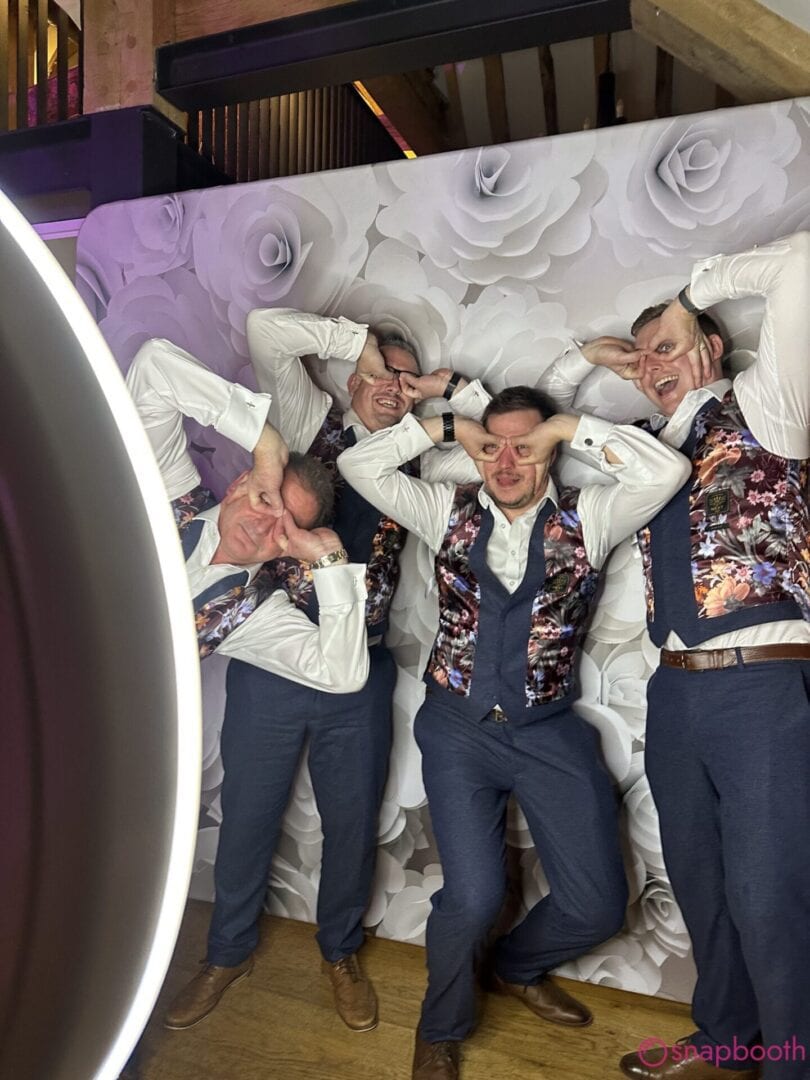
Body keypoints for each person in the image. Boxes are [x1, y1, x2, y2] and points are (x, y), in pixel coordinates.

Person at [337, 386, 691, 1079]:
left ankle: (514, 967)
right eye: (492, 448)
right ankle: (440, 1028)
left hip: (548, 732)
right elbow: (360, 467)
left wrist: (567, 427)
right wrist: (444, 427)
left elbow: (667, 472)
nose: (505, 463)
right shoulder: (445, 511)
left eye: (524, 448)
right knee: (471, 897)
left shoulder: (591, 516)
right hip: (457, 730)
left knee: (598, 906)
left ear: (550, 452)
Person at [538, 232, 810, 1080]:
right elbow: (539, 427)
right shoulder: (639, 446)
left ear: (711, 345)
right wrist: (588, 359)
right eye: (641, 355)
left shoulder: (769, 404)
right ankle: (728, 1041)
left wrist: (695, 293)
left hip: (765, 685)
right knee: (701, 885)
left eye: (668, 344)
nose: (652, 363)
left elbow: (801, 265)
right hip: (677, 691)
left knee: (771, 899)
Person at [188, 307, 487, 1034]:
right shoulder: (303, 420)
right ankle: (226, 953)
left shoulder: (417, 459)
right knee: (248, 814)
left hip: (359, 671)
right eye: (380, 373)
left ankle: (341, 951)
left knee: (351, 821)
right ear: (353, 378)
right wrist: (362, 346)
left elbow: (495, 441)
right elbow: (268, 330)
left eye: (406, 380)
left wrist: (443, 394)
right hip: (267, 659)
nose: (391, 387)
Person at [126, 340, 375, 1031]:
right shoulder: (169, 493)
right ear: (241, 483)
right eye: (265, 500)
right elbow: (152, 366)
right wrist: (267, 444)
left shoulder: (252, 612)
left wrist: (328, 561)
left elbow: (342, 673)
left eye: (284, 531)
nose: (265, 527)